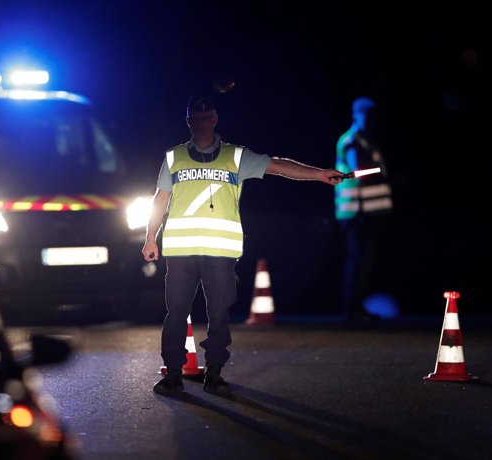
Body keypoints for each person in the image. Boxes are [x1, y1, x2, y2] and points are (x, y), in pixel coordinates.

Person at [142, 95, 345, 396]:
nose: (200, 123)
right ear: (188, 122)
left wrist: (319, 174)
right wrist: (150, 237)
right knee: (176, 314)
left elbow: (277, 165)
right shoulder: (174, 157)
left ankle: (214, 374)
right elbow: (160, 199)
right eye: (194, 119)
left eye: (205, 118)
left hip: (221, 251)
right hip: (181, 251)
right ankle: (173, 375)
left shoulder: (235, 156)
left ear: (215, 119)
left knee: (219, 315)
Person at [334, 96, 394, 321]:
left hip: (367, 212)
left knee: (364, 261)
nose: (370, 120)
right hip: (355, 212)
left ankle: (355, 307)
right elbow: (357, 170)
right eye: (366, 115)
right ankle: (351, 309)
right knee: (357, 260)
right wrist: (380, 172)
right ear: (357, 115)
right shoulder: (352, 141)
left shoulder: (366, 140)